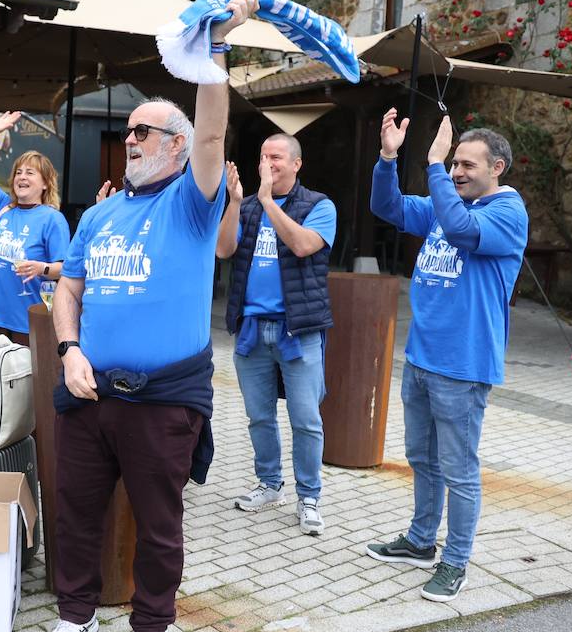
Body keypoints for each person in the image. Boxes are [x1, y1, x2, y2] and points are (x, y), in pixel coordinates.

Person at [40, 0, 259, 632]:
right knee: (76, 513)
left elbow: (216, 135)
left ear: (174, 145)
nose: (129, 139)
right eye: (128, 133)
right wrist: (69, 349)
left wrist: (215, 48)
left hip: (165, 399)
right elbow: (68, 288)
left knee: (160, 523)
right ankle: (75, 614)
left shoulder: (190, 205)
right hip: (89, 391)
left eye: (141, 132)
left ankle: (153, 627)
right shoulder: (98, 216)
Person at [365, 108, 528, 602]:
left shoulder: (506, 212)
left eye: (467, 165)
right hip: (420, 359)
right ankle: (419, 541)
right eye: (453, 163)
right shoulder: (448, 202)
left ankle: (454, 563)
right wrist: (388, 157)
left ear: (497, 168)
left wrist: (434, 164)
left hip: (462, 366)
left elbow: (460, 231)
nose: (456, 171)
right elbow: (386, 207)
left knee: (459, 470)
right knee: (422, 458)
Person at [216, 134, 336, 535]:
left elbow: (304, 246)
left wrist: (268, 201)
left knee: (305, 419)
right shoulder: (247, 207)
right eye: (264, 155)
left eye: (277, 157)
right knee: (259, 417)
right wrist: (236, 202)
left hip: (297, 331)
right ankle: (270, 484)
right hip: (251, 330)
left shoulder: (319, 206)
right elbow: (224, 250)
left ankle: (309, 497)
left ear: (296, 164)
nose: (268, 162)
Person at [0, 114, 70, 345]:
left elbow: (65, 269)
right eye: (18, 172)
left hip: (30, 323)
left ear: (45, 183)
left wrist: (41, 268)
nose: (22, 177)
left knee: (26, 382)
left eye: (30, 173)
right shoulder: (3, 207)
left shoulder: (52, 219)